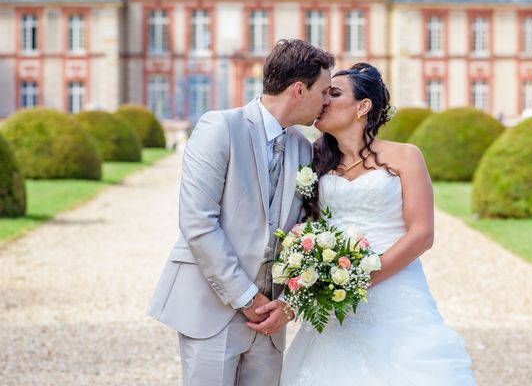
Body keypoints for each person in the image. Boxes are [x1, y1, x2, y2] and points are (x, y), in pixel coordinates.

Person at [147, 39, 334, 386]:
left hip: (269, 320)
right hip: (211, 308)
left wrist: (287, 305)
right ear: (298, 90)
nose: (327, 100)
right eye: (324, 91)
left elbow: (308, 232)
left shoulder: (304, 150)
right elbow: (198, 223)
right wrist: (246, 298)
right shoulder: (218, 128)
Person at [280, 63, 476, 385]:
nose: (324, 101)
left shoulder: (405, 157)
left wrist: (360, 279)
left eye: (334, 93)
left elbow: (422, 234)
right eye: (324, 93)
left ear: (363, 106)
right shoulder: (312, 159)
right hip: (332, 292)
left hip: (395, 287)